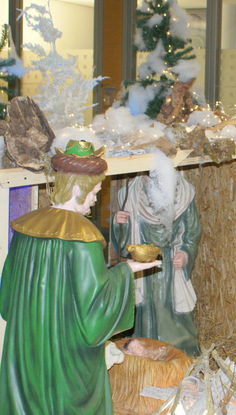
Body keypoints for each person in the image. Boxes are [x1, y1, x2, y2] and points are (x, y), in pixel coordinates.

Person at [0, 140, 160, 414]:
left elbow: (7, 298)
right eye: (94, 192)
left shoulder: (25, 228)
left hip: (27, 349)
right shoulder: (84, 237)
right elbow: (93, 314)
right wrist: (126, 271)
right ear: (76, 189)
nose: (95, 200)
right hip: (65, 356)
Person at [112, 155, 202, 357]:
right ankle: (143, 352)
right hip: (142, 267)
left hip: (169, 266)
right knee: (143, 308)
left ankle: (179, 353)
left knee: (172, 309)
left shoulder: (183, 195)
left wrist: (185, 254)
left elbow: (192, 231)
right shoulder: (130, 193)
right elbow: (122, 242)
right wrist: (120, 223)